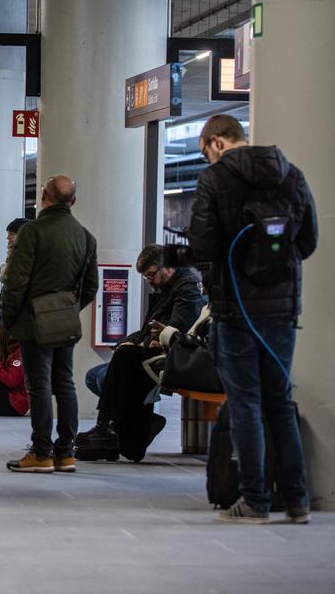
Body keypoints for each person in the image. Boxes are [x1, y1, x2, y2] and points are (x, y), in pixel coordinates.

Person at [186, 115, 316, 524]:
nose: (207, 158)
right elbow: (308, 241)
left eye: (205, 151)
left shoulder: (214, 179)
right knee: (280, 402)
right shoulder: (292, 175)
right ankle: (297, 501)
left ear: (216, 142)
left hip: (235, 308)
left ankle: (255, 501)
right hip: (282, 309)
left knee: (245, 404)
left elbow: (203, 244)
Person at [0, 175, 98, 474]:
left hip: (32, 320)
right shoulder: (85, 236)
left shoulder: (32, 231)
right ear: (73, 201)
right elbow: (90, 287)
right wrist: (67, 308)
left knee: (39, 385)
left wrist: (8, 317)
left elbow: (16, 281)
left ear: (43, 197)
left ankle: (41, 453)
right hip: (65, 320)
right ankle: (65, 453)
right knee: (65, 384)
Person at [76, 245, 206, 462]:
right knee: (95, 375)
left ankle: (109, 427)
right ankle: (134, 426)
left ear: (167, 267)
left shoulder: (187, 288)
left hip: (173, 357)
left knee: (110, 373)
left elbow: (176, 329)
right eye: (146, 277)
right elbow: (149, 329)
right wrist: (126, 341)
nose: (149, 281)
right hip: (154, 352)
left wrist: (139, 344)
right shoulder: (165, 289)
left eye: (151, 275)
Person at [0, 217, 31, 284]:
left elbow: (8, 276)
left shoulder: (22, 254)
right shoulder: (14, 250)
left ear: (22, 235)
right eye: (8, 234)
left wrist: (2, 269)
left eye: (11, 234)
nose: (7, 237)